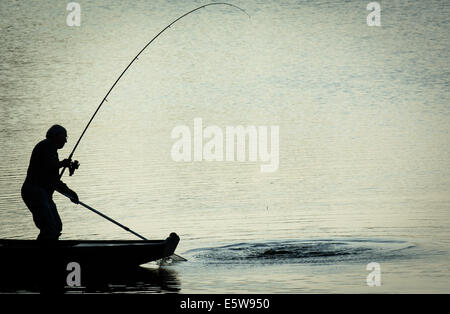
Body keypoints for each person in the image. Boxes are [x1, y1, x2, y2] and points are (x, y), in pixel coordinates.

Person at [21, 125, 79, 241]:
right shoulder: (45, 146)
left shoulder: (52, 151)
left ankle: (49, 246)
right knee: (49, 227)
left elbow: (54, 181)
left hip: (44, 194)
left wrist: (70, 193)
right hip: (34, 192)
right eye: (64, 137)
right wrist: (62, 164)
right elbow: (47, 168)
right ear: (56, 136)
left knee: (56, 226)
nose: (66, 141)